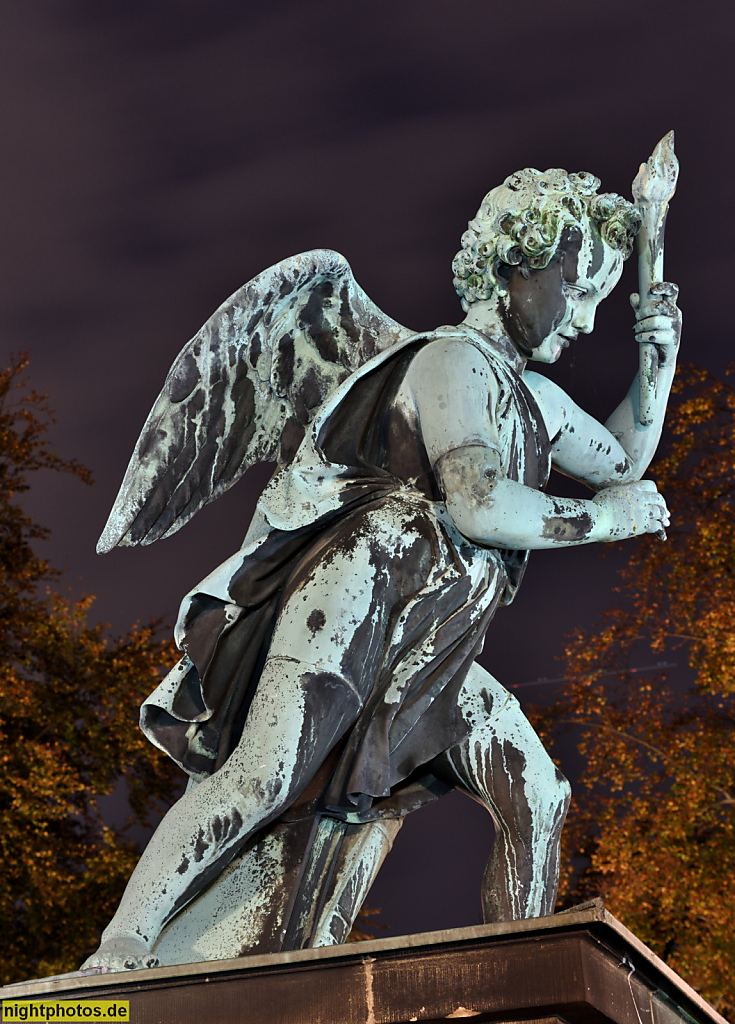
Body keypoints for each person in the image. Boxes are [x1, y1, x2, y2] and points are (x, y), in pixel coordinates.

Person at [82, 166, 679, 971]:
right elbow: (476, 501)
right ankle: (120, 951)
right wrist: (604, 521)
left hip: (435, 630)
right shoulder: (451, 363)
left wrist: (657, 365)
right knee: (260, 777)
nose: (584, 318)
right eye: (577, 291)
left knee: (536, 791)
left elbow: (625, 460)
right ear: (517, 265)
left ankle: (518, 985)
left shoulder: (535, 399)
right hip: (361, 592)